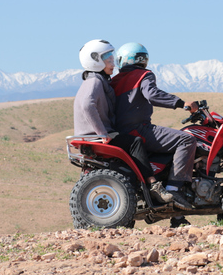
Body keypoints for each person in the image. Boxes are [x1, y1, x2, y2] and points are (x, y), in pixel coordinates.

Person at [73, 39, 173, 204]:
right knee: (135, 143)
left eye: (112, 58)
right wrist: (102, 133)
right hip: (95, 135)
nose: (113, 63)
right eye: (108, 59)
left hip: (92, 135)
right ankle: (153, 185)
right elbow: (87, 106)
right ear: (95, 61)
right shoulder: (95, 81)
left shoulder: (97, 80)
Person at [110, 42, 198, 222]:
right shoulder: (144, 75)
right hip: (139, 130)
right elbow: (152, 94)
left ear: (123, 59)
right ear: (143, 60)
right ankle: (174, 190)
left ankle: (177, 217)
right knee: (186, 141)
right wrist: (182, 104)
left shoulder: (114, 81)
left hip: (120, 133)